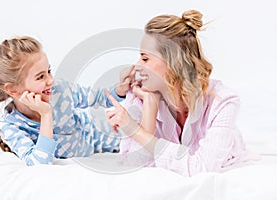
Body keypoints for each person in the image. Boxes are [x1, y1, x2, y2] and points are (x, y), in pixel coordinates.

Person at [105, 10, 252, 176]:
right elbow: (133, 166)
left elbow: (202, 169)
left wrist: (135, 130)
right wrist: (150, 110)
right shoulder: (141, 95)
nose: (137, 65)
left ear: (174, 62)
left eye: (145, 58)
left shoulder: (223, 101)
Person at [0, 36, 134, 166]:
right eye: (40, 77)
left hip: (92, 138)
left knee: (133, 148)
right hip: (75, 154)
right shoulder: (12, 125)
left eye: (48, 71)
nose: (50, 80)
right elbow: (40, 163)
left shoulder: (61, 90)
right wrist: (45, 114)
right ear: (13, 90)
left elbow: (98, 98)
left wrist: (120, 89)